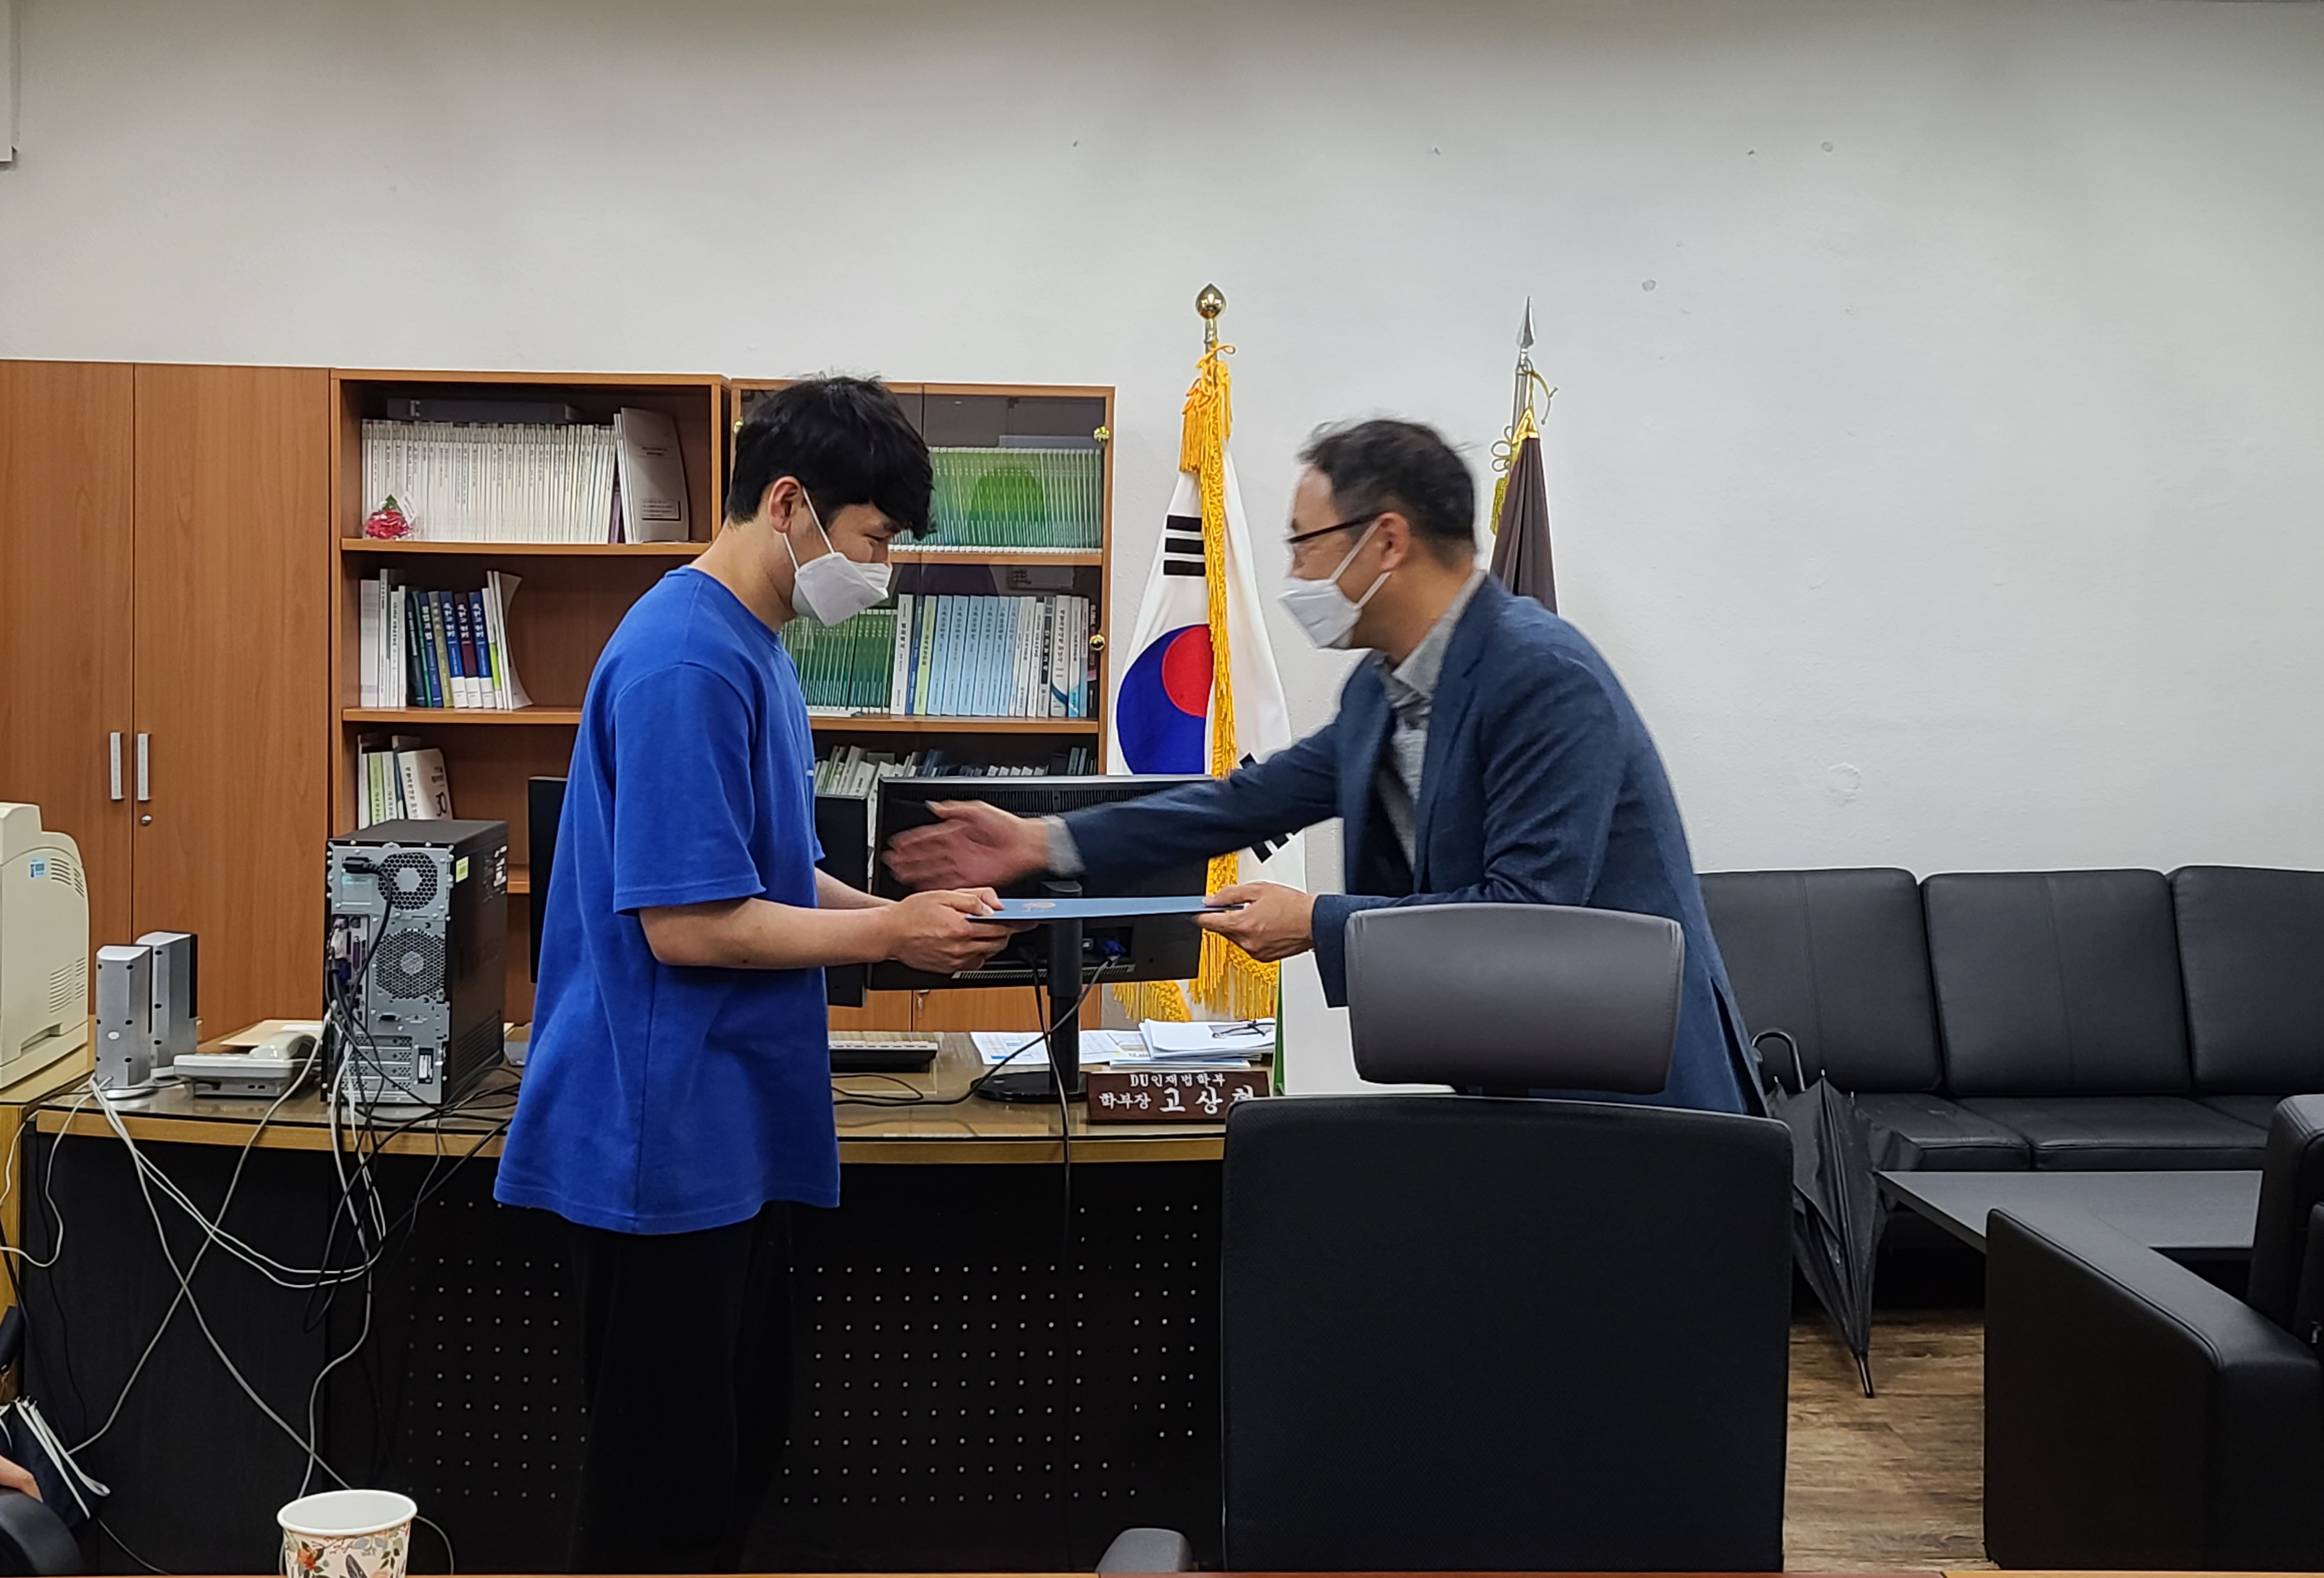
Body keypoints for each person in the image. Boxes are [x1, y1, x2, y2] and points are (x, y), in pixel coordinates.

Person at [495, 377, 1012, 1573]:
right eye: (873, 539)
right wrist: (890, 938)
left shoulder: (755, 649)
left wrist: (899, 915)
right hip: (660, 1140)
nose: (880, 572)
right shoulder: (686, 661)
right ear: (788, 503)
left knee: (728, 1468)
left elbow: (762, 872)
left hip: (724, 1130)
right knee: (659, 1514)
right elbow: (691, 926)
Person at [888, 417, 1761, 1115]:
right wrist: (1043, 842)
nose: (1295, 572)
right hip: (1522, 1069)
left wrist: (1318, 922)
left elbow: (1530, 913)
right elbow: (1246, 801)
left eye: (1305, 543)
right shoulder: (1383, 689)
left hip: (1638, 1096)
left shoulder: (1541, 674)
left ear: (1387, 541)